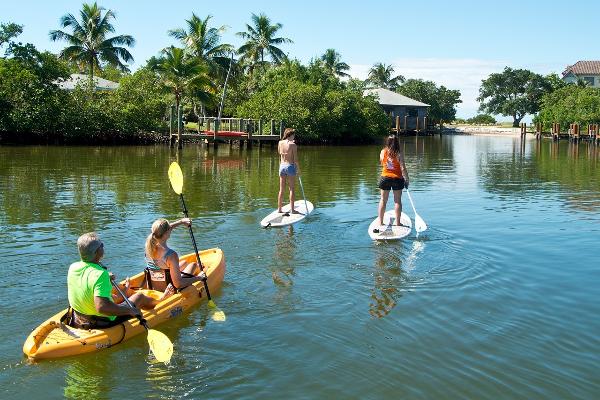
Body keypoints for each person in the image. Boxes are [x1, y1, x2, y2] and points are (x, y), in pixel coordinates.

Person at [67, 232, 165, 329]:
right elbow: (102, 307)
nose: (103, 247)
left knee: (112, 296)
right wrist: (129, 310)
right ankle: (162, 302)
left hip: (79, 317)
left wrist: (105, 277)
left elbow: (87, 280)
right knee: (139, 296)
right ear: (97, 252)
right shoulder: (100, 274)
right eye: (102, 245)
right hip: (101, 322)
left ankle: (127, 293)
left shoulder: (73, 267)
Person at [144, 218, 206, 292]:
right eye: (169, 229)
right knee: (193, 265)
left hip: (154, 287)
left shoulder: (149, 248)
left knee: (184, 262)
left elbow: (163, 229)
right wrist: (199, 277)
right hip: (168, 290)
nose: (171, 229)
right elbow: (178, 284)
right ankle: (198, 268)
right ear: (167, 233)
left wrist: (181, 222)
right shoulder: (171, 255)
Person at [374, 135, 410, 232]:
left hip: (385, 178)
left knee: (383, 200)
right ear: (397, 142)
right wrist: (407, 179)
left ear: (387, 142)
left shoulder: (383, 151)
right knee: (397, 201)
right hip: (397, 179)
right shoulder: (399, 153)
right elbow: (402, 168)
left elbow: (382, 162)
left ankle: (380, 222)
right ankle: (398, 222)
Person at [278, 128, 301, 214]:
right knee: (291, 189)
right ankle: (292, 210)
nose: (294, 136)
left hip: (282, 166)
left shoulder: (280, 142)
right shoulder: (293, 145)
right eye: (294, 135)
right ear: (291, 135)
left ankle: (279, 209)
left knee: (281, 189)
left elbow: (279, 153)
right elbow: (295, 160)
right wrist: (298, 170)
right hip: (290, 166)